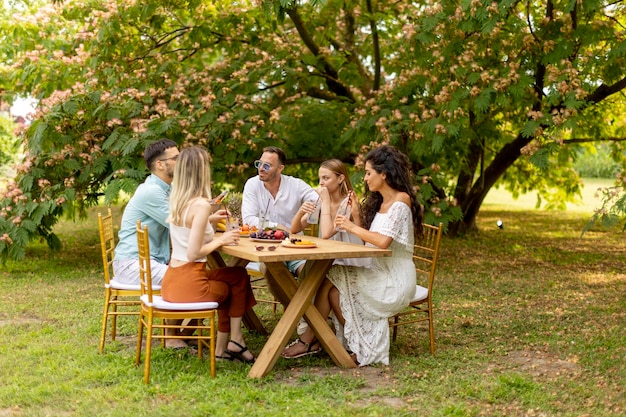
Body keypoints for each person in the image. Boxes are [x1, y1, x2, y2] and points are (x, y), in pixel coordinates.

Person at [282, 145, 423, 366]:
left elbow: (383, 242)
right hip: (377, 270)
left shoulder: (401, 200)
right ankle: (350, 344)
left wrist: (350, 226)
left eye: (369, 173)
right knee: (330, 282)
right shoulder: (382, 202)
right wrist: (357, 216)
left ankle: (311, 339)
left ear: (383, 174)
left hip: (394, 278)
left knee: (331, 276)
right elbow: (368, 242)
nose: (365, 178)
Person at [161, 146, 257, 362]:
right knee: (229, 289)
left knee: (238, 275)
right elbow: (194, 252)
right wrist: (221, 239)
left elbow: (188, 227)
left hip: (173, 280)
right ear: (201, 171)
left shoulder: (179, 201)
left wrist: (211, 219)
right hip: (190, 284)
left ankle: (234, 341)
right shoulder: (201, 205)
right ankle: (226, 346)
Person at [241, 146, 318, 276]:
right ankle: (294, 296)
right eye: (259, 164)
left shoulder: (296, 185)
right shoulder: (252, 184)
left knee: (311, 273)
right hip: (264, 248)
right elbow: (248, 219)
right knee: (271, 269)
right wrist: (277, 227)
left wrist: (306, 219)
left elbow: (319, 201)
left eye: (267, 166)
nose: (260, 168)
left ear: (280, 168)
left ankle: (299, 295)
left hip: (294, 248)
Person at [113, 138, 179, 286]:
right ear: (160, 164)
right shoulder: (151, 191)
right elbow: (180, 223)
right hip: (133, 265)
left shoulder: (168, 189)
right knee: (188, 280)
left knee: (194, 277)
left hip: (150, 262)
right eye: (176, 158)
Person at [291, 159, 369, 268]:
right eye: (320, 178)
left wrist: (326, 202)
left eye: (326, 178)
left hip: (350, 260)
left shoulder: (348, 202)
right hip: (328, 259)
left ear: (340, 178)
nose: (320, 183)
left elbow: (327, 234)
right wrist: (300, 212)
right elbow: (295, 230)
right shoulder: (321, 201)